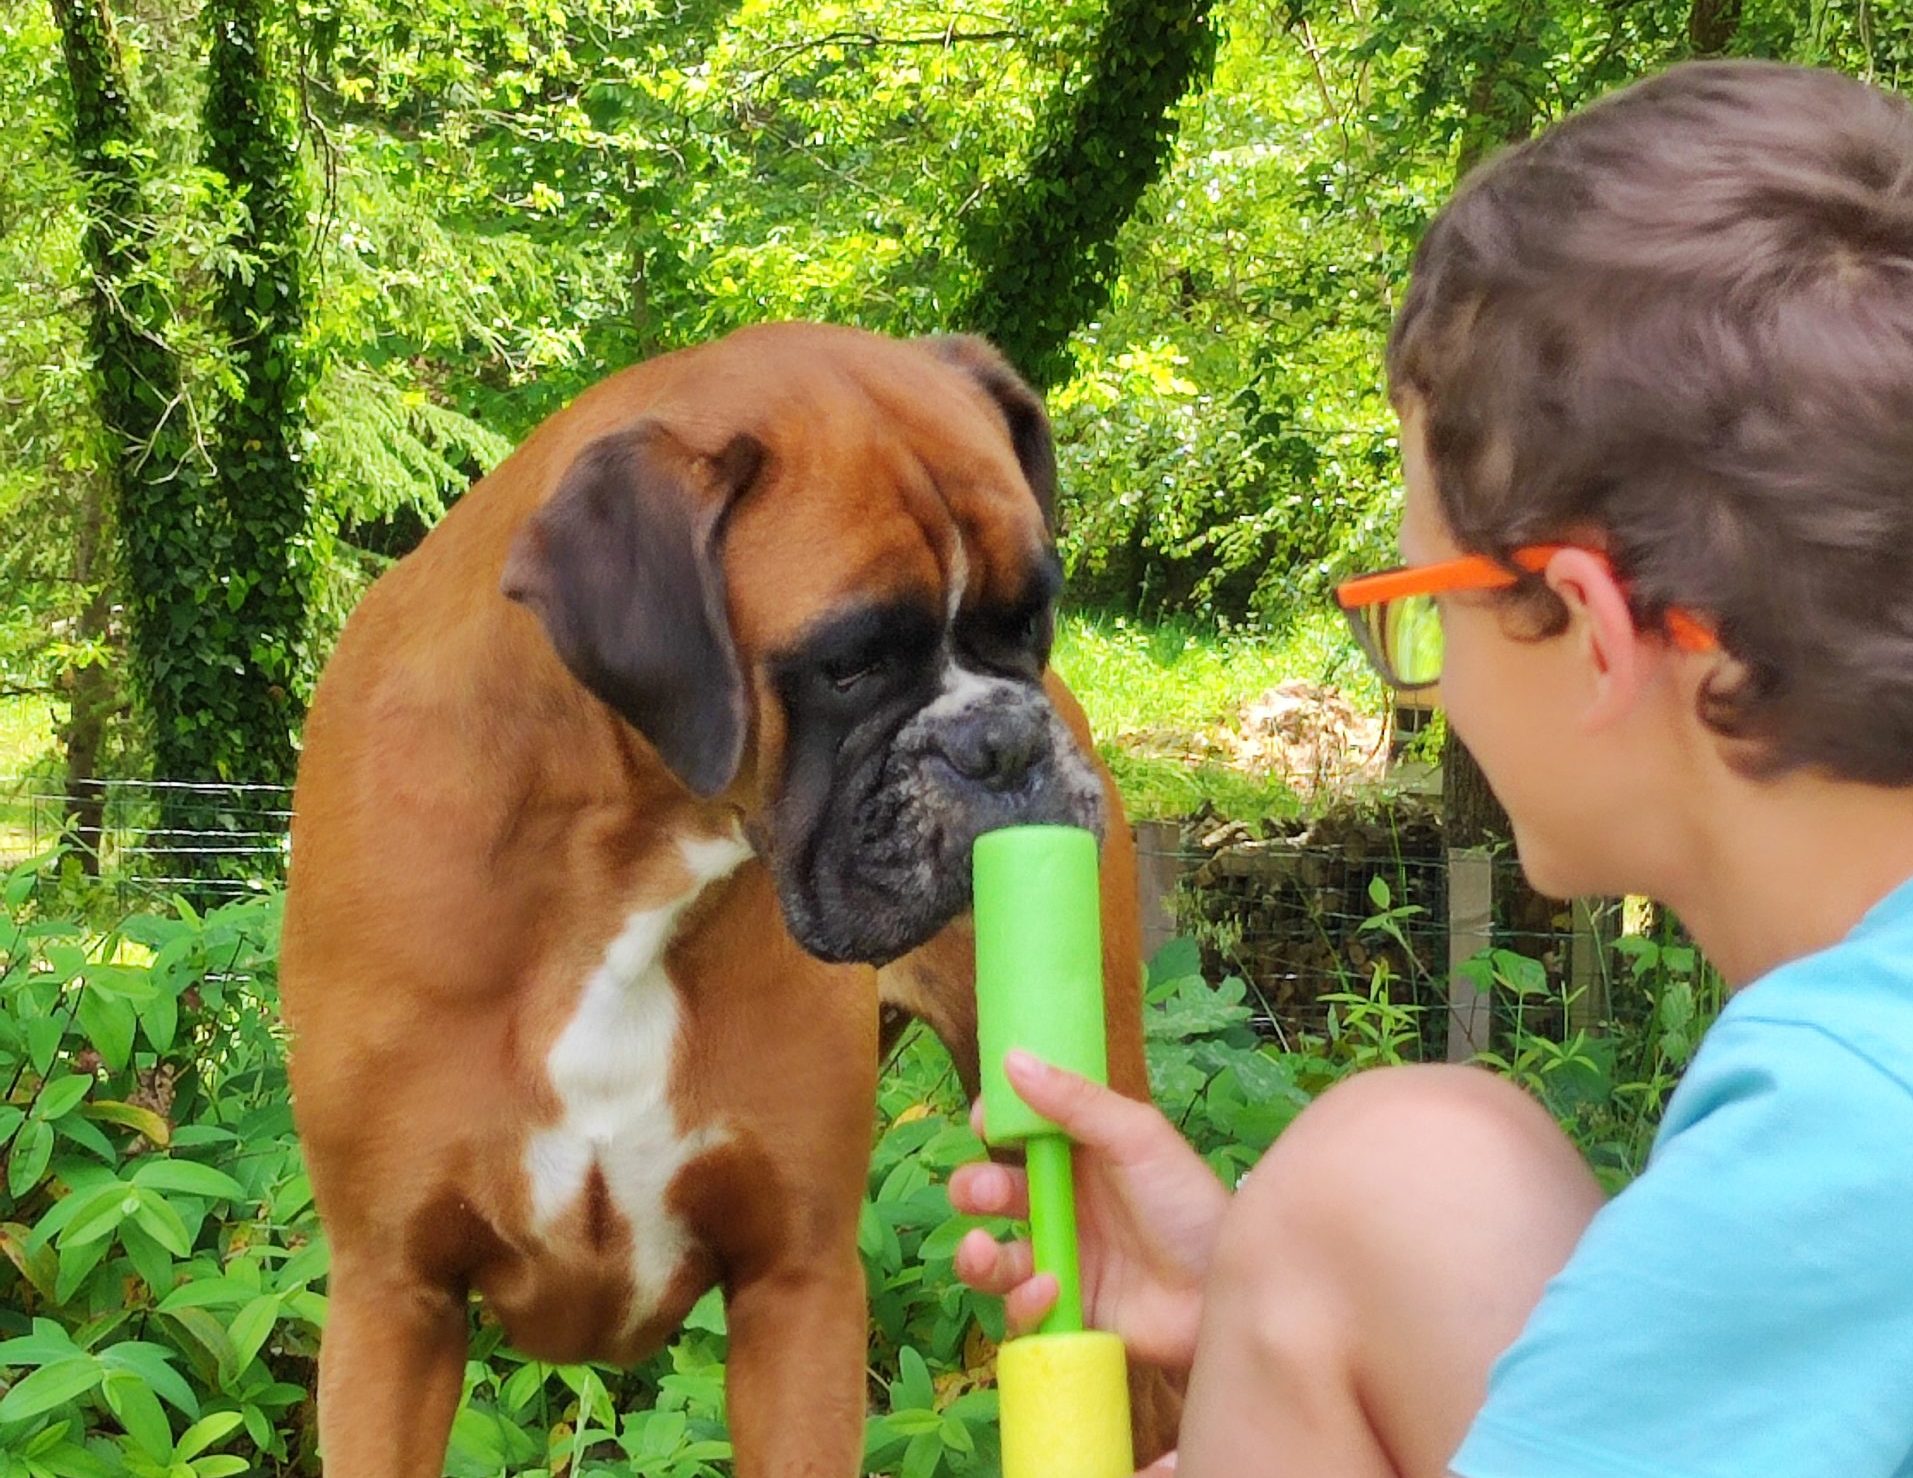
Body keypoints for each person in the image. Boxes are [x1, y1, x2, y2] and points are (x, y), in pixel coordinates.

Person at [950, 59, 1913, 1477]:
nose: (1432, 671)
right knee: (1397, 1189)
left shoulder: (1834, 1154)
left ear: (1588, 628)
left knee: (1379, 1165)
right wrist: (1272, 1308)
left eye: (1420, 600)